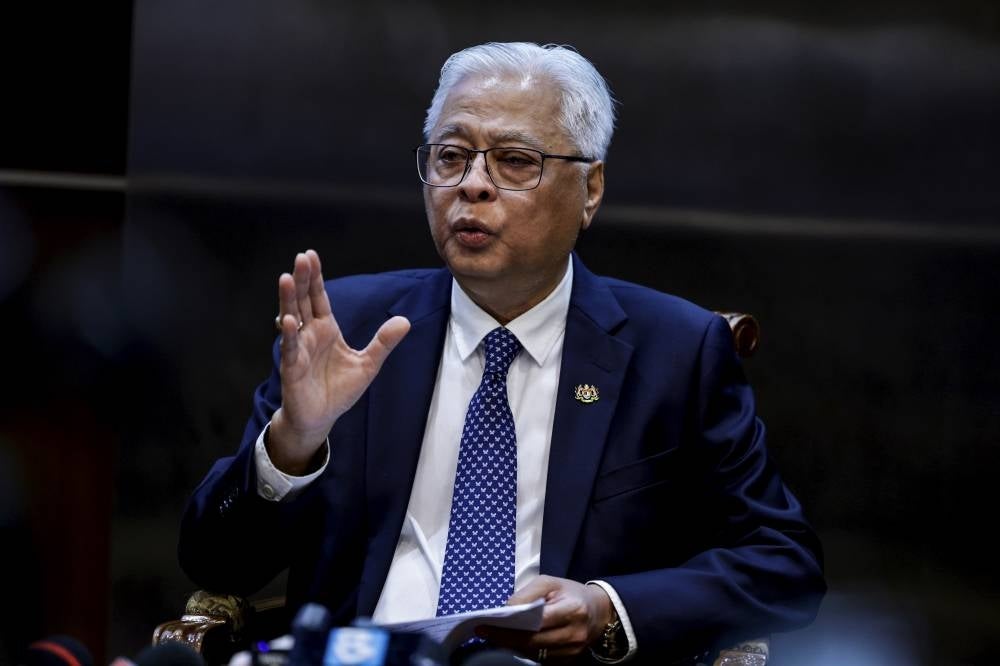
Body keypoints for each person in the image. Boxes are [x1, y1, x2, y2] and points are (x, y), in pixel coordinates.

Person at [178, 42, 825, 665]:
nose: (472, 185)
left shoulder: (675, 352)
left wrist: (608, 607)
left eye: (514, 161)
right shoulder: (350, 329)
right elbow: (216, 565)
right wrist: (292, 445)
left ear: (590, 189)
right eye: (451, 156)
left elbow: (783, 563)